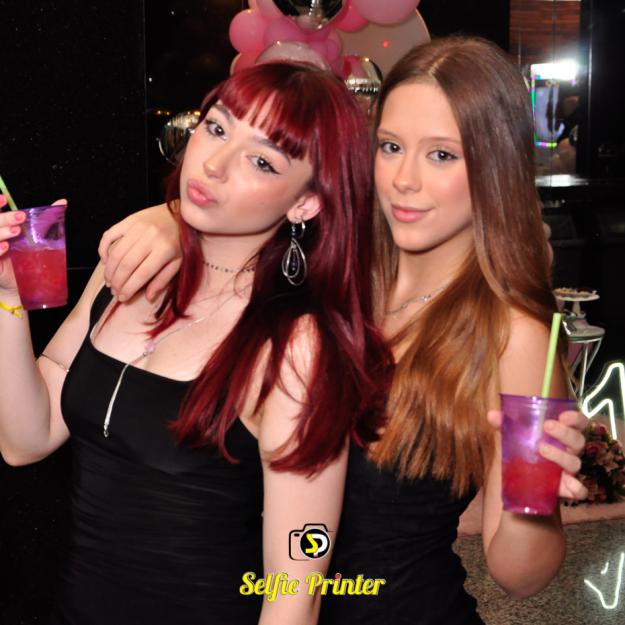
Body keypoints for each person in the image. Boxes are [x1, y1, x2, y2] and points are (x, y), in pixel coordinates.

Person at [51, 38, 590, 624]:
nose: (404, 180)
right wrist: (167, 218)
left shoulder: (513, 336)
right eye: (390, 146)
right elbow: (247, 199)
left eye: (442, 155)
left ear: (494, 168)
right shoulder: (328, 263)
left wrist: (533, 499)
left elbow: (519, 577)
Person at [0, 62, 390, 625]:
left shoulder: (297, 348)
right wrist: (7, 299)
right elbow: (26, 438)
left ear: (305, 203)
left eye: (262, 161)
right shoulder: (125, 270)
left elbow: (296, 592)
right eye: (217, 127)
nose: (214, 163)